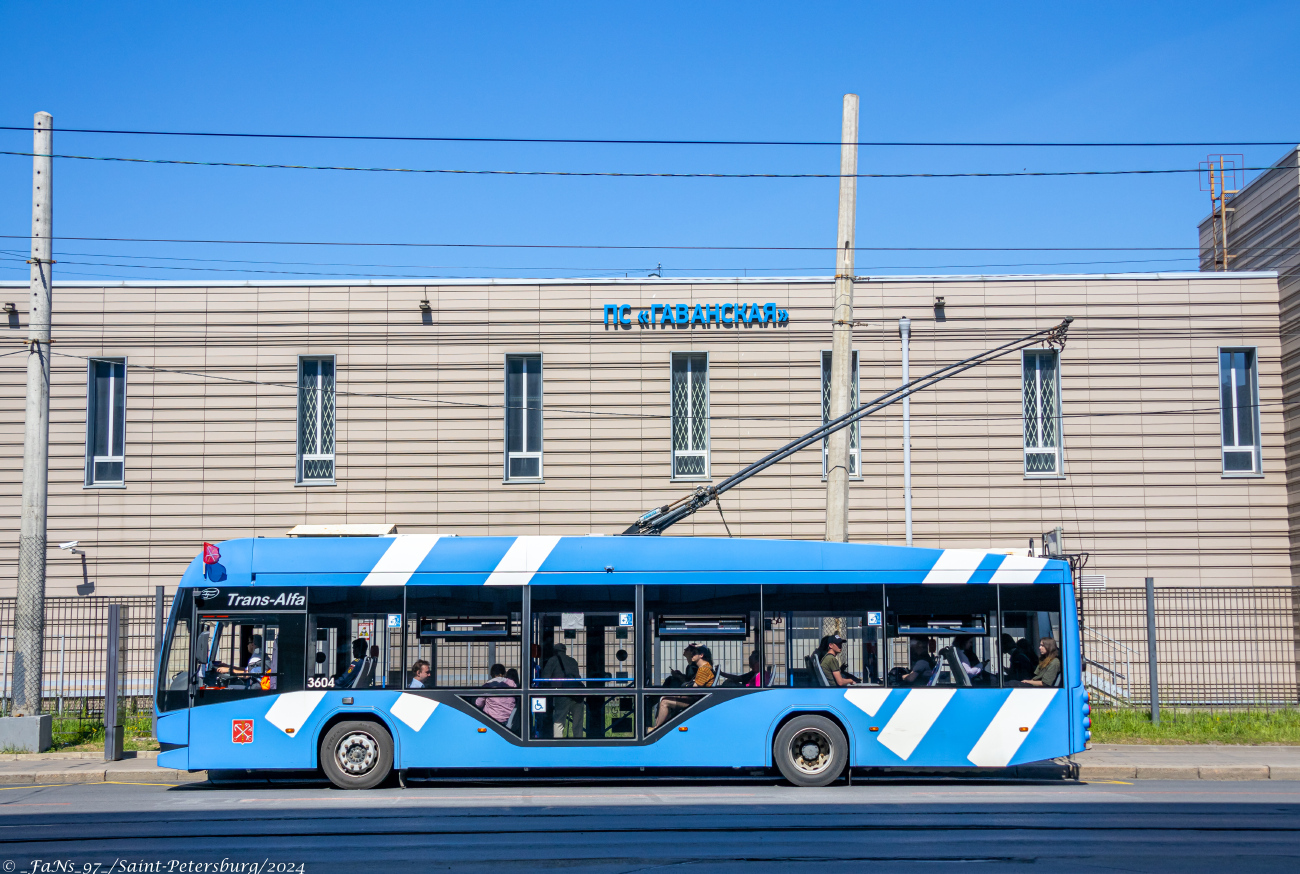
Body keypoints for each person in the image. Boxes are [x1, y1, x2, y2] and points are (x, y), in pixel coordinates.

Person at [650, 644, 714, 731]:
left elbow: (695, 687)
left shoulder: (704, 669)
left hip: (695, 701)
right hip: (695, 698)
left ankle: (657, 729)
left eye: (694, 653)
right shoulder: (702, 668)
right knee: (664, 698)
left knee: (665, 701)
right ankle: (659, 726)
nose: (691, 654)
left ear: (701, 655)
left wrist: (684, 684)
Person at [541, 643, 583, 738]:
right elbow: (578, 677)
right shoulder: (573, 661)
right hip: (577, 694)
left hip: (562, 694)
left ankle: (558, 742)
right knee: (578, 722)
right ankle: (579, 741)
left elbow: (545, 678)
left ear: (554, 651)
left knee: (559, 721)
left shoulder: (552, 660)